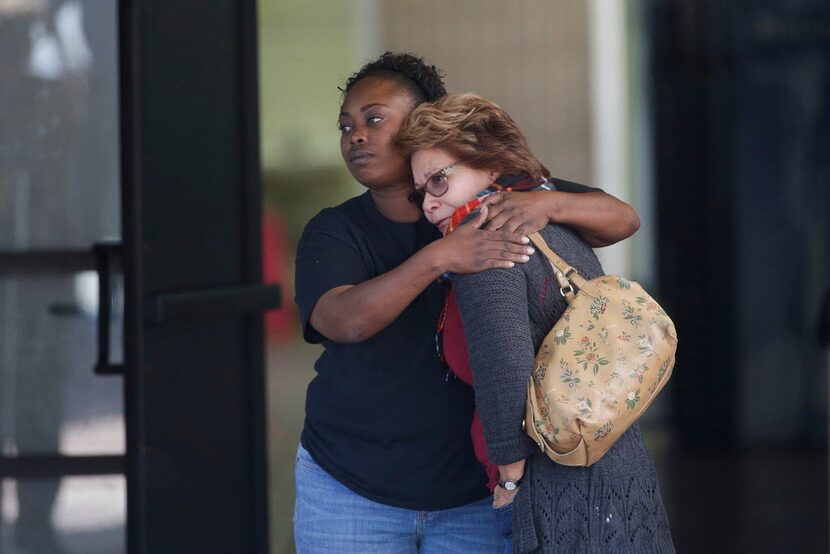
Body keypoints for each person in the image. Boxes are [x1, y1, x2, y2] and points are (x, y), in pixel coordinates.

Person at [293, 52, 641, 553]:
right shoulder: (336, 229)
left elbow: (622, 219)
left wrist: (546, 202)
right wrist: (440, 257)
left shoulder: (493, 197)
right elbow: (341, 320)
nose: (356, 135)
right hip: (350, 488)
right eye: (346, 125)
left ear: (422, 125)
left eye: (374, 119)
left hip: (478, 495)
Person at [396, 92, 675, 553]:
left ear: (488, 166)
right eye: (420, 191)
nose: (428, 203)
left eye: (439, 181)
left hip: (554, 483)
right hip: (617, 464)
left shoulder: (488, 242)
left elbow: (503, 364)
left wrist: (509, 474)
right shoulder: (550, 223)